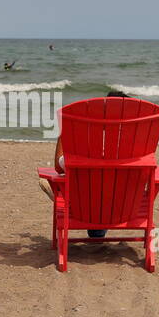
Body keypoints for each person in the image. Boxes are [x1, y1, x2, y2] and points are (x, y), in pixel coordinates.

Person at [39, 90, 128, 239]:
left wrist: (64, 131)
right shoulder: (135, 151)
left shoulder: (84, 149)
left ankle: (61, 196)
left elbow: (58, 166)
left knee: (78, 179)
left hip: (86, 208)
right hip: (122, 209)